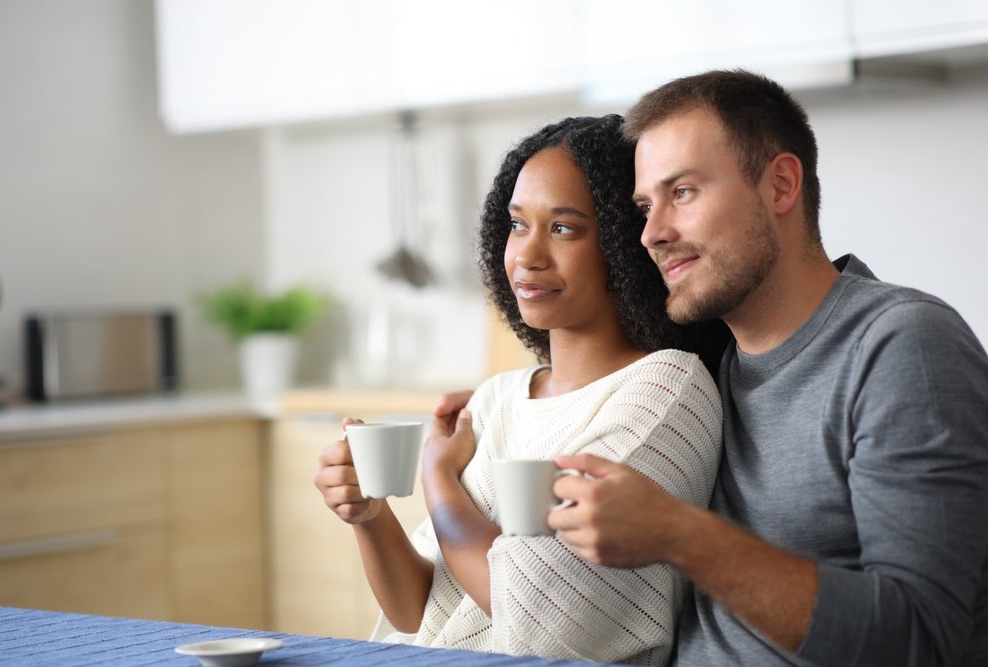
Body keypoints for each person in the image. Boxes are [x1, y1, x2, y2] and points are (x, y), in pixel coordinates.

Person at [537, 70, 988, 666]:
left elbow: (924, 640)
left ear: (780, 186)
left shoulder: (902, 347)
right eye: (646, 205)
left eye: (684, 192)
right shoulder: (703, 364)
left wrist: (679, 533)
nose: (652, 233)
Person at [314, 114, 731, 665]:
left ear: (624, 245)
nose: (527, 255)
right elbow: (419, 612)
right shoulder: (495, 401)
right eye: (516, 225)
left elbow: (540, 622)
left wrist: (438, 480)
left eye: (563, 228)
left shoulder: (665, 390)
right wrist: (370, 518)